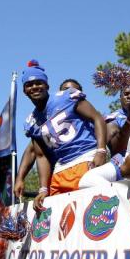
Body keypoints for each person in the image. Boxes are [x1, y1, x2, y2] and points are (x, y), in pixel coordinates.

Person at [21, 61, 107, 209]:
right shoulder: (31, 122)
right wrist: (43, 188)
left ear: (47, 85)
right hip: (61, 168)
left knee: (92, 209)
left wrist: (101, 150)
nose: (34, 87)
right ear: (24, 90)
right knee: (59, 215)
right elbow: (41, 156)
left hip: (85, 157)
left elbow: (97, 118)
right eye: (29, 84)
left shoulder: (67, 96)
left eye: (38, 82)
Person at [14, 78, 83, 199]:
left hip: (83, 164)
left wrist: (101, 152)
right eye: (65, 90)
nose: (68, 93)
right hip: (58, 173)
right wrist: (20, 179)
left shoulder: (89, 118)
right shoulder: (42, 122)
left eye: (72, 90)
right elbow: (32, 151)